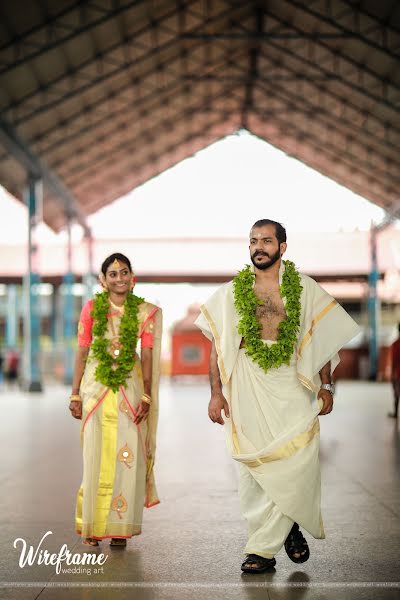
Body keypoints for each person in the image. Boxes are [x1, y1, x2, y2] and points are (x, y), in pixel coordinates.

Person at [195, 219, 360, 573]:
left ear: (282, 247)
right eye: (253, 241)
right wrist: (215, 394)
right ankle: (262, 549)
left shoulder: (305, 289)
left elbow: (323, 339)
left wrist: (326, 384)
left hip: (293, 381)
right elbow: (216, 347)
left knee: (297, 459)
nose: (258, 247)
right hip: (247, 382)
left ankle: (288, 525)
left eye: (266, 241)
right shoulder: (230, 293)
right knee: (255, 467)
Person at [69, 253, 162, 547]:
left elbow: (146, 355)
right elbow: (82, 351)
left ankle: (119, 527)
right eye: (113, 273)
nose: (119, 278)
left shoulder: (144, 312)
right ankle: (93, 528)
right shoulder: (92, 309)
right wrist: (74, 393)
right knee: (95, 456)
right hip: (95, 388)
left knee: (127, 456)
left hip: (129, 389)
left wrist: (146, 394)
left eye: (124, 272)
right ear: (103, 279)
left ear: (132, 277)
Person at [389, 323, 400, 419]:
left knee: (396, 394)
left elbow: (394, 361)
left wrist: (392, 374)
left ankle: (396, 413)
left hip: (398, 374)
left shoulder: (395, 344)